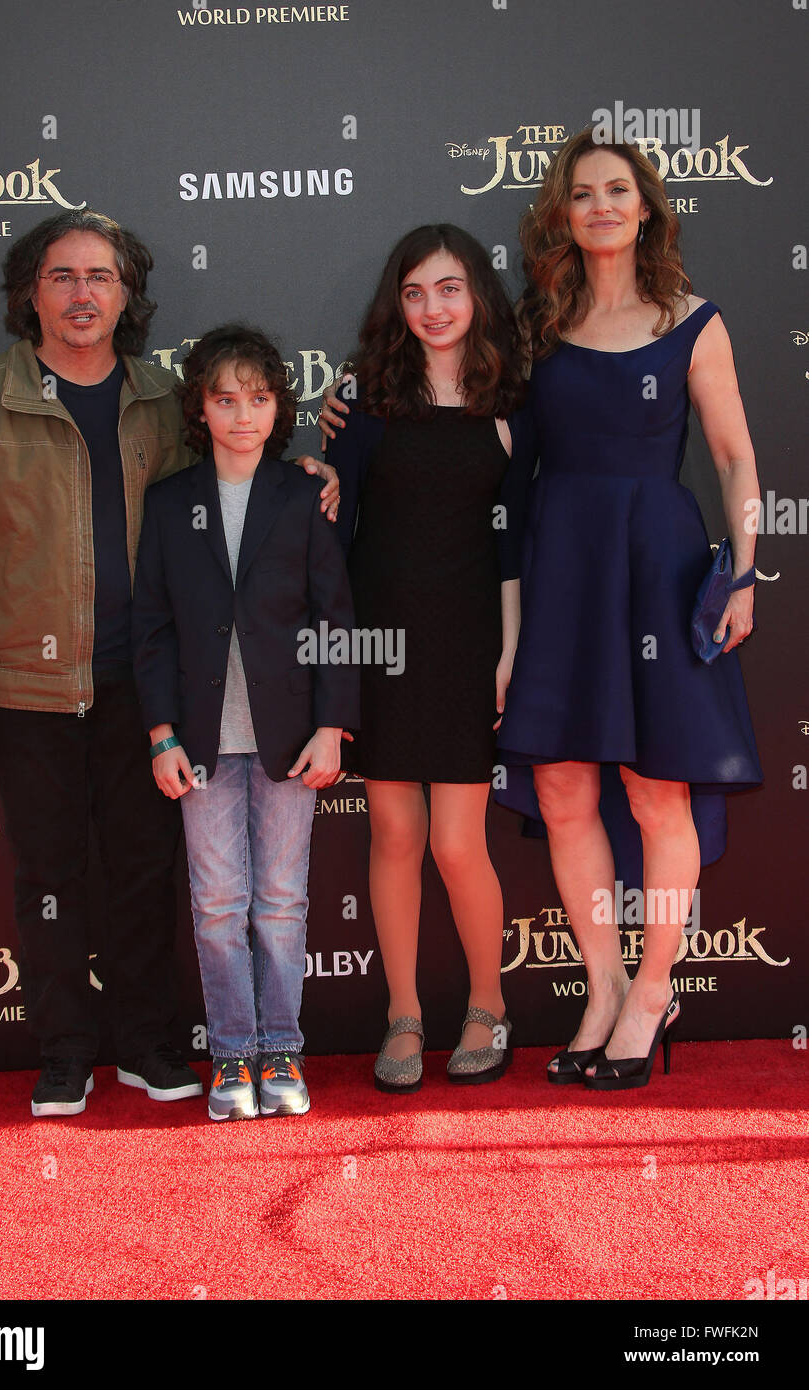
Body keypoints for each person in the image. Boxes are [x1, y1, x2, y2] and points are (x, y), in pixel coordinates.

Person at [0, 210, 338, 1117]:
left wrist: (305, 474)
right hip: (25, 690)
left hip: (148, 688)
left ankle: (146, 1043)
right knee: (50, 878)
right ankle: (64, 1054)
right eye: (61, 276)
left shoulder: (158, 399)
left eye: (100, 276)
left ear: (126, 294)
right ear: (31, 291)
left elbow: (228, 480)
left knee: (144, 874)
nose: (82, 293)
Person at [493, 132, 762, 1089]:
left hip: (656, 560)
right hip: (562, 565)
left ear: (645, 205)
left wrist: (743, 571)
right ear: (561, 215)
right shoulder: (538, 328)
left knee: (658, 791)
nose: (601, 205)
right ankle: (602, 987)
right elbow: (496, 457)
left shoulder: (694, 319)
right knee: (564, 788)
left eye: (617, 190)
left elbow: (733, 458)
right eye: (581, 194)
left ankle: (654, 995)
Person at [322, 225, 531, 1091]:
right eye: (414, 293)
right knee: (396, 833)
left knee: (456, 843)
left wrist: (510, 651)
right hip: (379, 643)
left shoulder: (514, 403)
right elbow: (332, 529)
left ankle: (489, 1005)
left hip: (469, 643)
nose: (432, 309)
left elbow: (515, 545)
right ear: (395, 304)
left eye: (448, 289)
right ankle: (402, 1014)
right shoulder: (365, 398)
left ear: (477, 292)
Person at [132, 325, 359, 1122]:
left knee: (281, 902)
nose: (240, 415)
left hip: (289, 741)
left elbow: (336, 619)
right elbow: (151, 628)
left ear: (277, 407)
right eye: (224, 399)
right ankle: (232, 1053)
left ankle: (282, 1048)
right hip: (197, 743)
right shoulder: (168, 505)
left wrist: (333, 727)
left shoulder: (304, 496)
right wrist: (161, 733)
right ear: (199, 407)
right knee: (220, 902)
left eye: (257, 400)